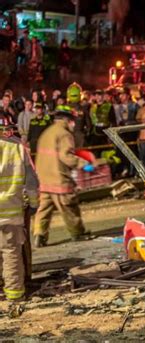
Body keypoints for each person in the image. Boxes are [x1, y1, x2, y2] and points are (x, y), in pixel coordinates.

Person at [33, 108, 93, 247]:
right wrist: (83, 164)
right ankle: (77, 233)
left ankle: (39, 235)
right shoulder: (64, 134)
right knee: (69, 206)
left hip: (43, 178)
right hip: (58, 178)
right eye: (72, 120)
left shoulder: (47, 133)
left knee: (44, 209)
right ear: (67, 120)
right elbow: (66, 156)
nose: (73, 124)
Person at [0, 120, 38, 301]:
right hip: (10, 210)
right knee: (11, 252)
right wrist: (34, 204)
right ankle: (15, 295)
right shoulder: (18, 149)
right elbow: (31, 182)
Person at [67, 83, 90, 147]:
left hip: (68, 136)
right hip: (79, 135)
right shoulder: (84, 108)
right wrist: (85, 133)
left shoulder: (64, 108)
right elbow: (88, 125)